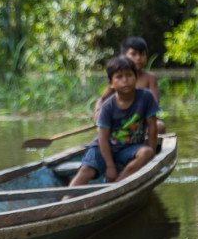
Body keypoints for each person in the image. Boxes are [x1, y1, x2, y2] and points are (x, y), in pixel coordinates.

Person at [69, 56, 161, 187]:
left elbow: (152, 125)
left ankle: (116, 186)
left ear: (136, 78)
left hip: (130, 148)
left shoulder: (146, 97)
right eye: (119, 77)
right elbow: (102, 137)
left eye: (129, 75)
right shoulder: (107, 107)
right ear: (111, 83)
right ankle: (65, 201)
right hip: (104, 148)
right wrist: (109, 165)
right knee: (85, 171)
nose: (125, 80)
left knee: (146, 152)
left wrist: (152, 153)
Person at [93, 36, 165, 133]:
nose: (138, 58)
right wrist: (98, 112)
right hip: (120, 121)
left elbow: (154, 103)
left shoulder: (150, 78)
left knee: (159, 126)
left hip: (141, 120)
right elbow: (102, 99)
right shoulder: (118, 79)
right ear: (123, 56)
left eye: (142, 54)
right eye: (133, 54)